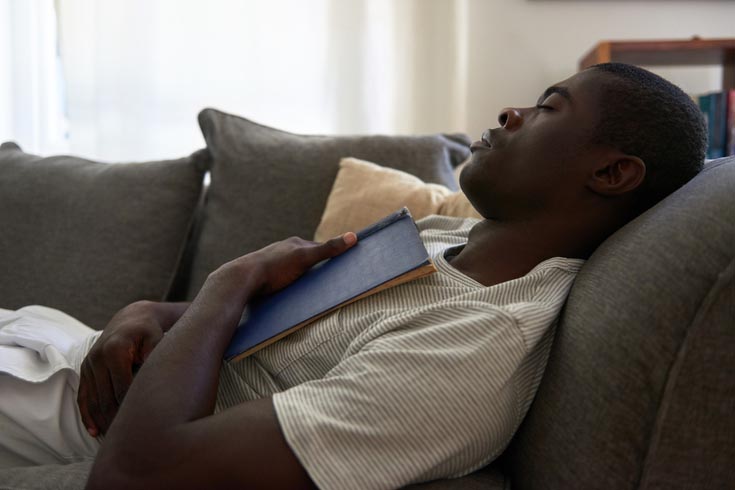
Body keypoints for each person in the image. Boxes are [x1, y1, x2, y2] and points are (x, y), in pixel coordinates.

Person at [0, 63, 706, 489]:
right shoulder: (442, 240)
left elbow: (140, 475)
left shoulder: (470, 350)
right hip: (63, 344)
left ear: (610, 173)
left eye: (549, 107)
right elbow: (242, 326)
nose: (509, 112)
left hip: (72, 410)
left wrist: (228, 281)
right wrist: (143, 310)